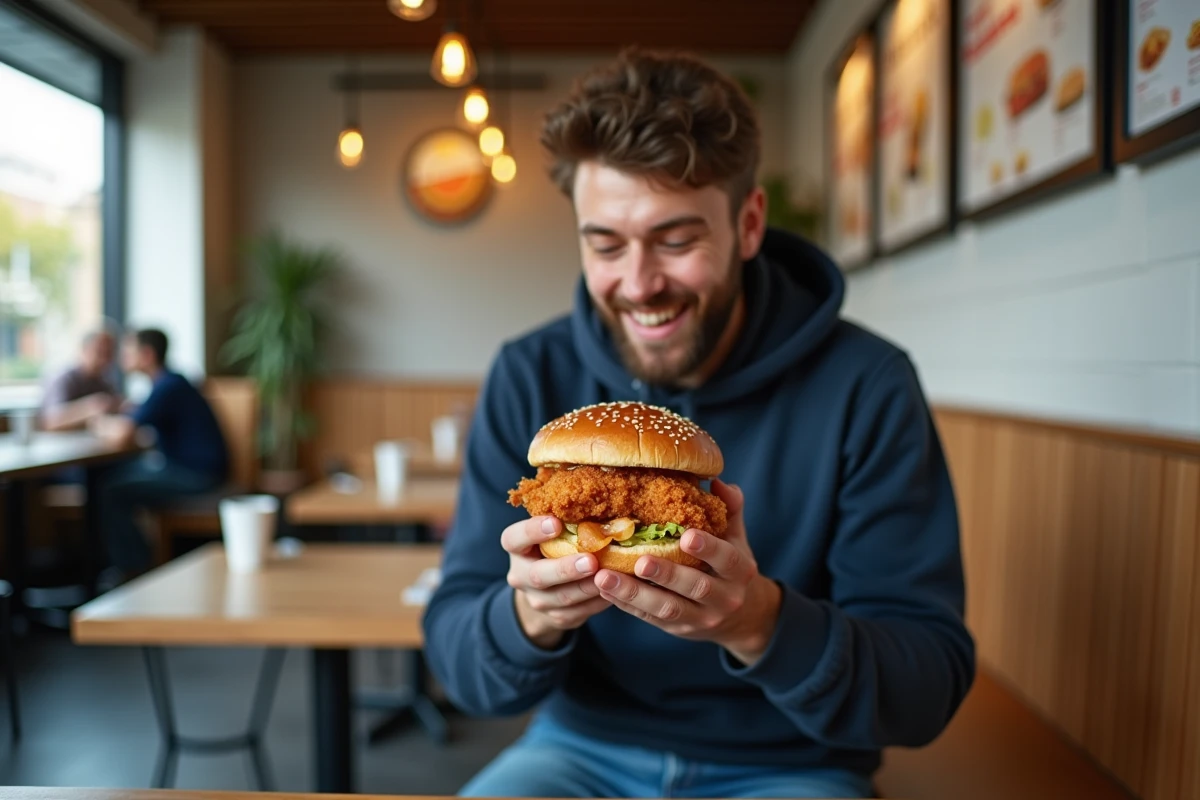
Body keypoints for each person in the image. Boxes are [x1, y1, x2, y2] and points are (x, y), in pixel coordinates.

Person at [422, 49, 975, 799]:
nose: (640, 284)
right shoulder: (531, 374)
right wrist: (529, 614)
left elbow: (926, 685)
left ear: (748, 225)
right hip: (580, 748)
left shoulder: (867, 385)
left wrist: (759, 623)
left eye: (676, 240)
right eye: (605, 244)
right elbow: (458, 655)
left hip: (795, 763)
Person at [91, 329, 229, 577]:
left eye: (128, 351)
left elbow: (123, 433)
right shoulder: (171, 382)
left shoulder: (167, 387)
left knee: (112, 490)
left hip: (197, 475)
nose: (122, 357)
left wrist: (97, 420)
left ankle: (135, 569)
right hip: (191, 468)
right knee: (117, 478)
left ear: (147, 354)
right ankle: (132, 564)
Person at [39, 328, 122, 432]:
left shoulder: (104, 381)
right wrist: (91, 407)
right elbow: (50, 422)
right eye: (99, 352)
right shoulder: (63, 378)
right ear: (84, 349)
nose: (104, 359)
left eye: (109, 353)